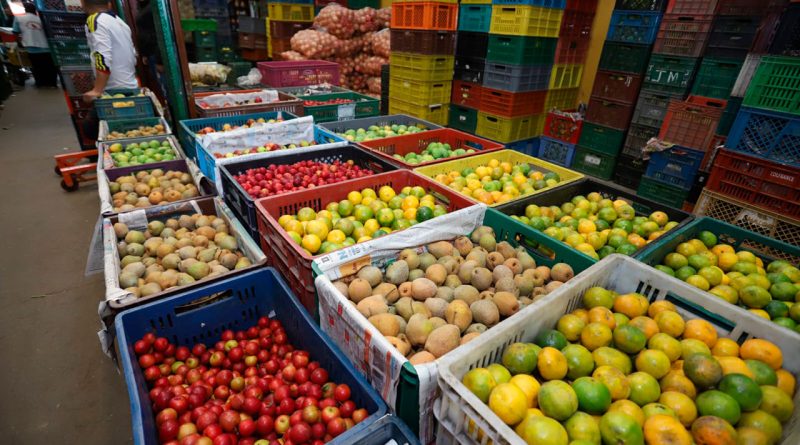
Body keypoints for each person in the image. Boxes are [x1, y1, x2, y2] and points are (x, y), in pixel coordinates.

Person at [81, 0, 138, 103]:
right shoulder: (120, 22)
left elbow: (102, 56)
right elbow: (133, 54)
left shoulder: (95, 20)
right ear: (109, 4)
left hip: (113, 91)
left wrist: (97, 90)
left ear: (83, 3)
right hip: (130, 86)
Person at [12, 3, 56, 88]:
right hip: (46, 47)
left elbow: (15, 32)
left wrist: (19, 42)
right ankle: (52, 83)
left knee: (37, 67)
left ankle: (40, 83)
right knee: (49, 66)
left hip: (32, 47)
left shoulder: (18, 18)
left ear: (25, 10)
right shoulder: (41, 19)